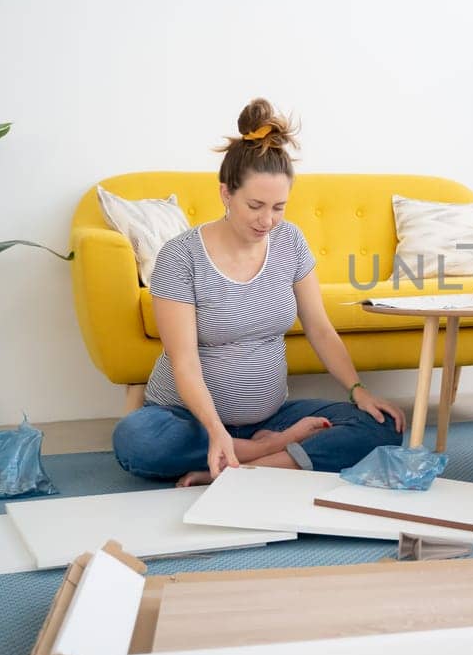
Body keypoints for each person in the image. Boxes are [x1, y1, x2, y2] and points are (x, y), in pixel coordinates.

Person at [112, 99, 406, 486]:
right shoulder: (181, 256)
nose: (267, 220)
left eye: (278, 207)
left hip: (270, 417)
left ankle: (247, 468)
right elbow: (182, 361)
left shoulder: (290, 242)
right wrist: (217, 432)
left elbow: (319, 329)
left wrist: (358, 391)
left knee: (384, 426)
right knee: (136, 441)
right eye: (255, 205)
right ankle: (271, 449)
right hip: (189, 422)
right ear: (225, 194)